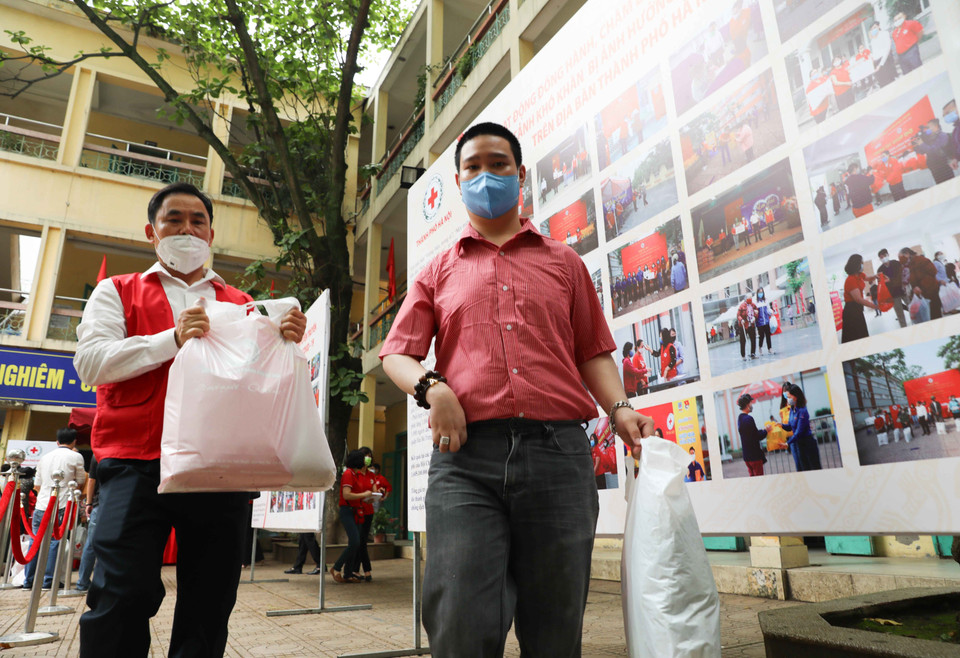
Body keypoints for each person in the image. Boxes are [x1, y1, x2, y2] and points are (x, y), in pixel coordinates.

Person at [379, 122, 653, 657]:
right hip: (465, 462)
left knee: (555, 625)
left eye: (498, 164)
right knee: (459, 622)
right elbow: (397, 354)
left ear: (521, 174)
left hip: (558, 458)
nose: (486, 175)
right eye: (473, 167)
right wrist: (433, 388)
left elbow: (591, 351)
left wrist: (619, 409)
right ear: (458, 182)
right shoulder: (437, 271)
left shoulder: (565, 263)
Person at [73, 182, 307, 656]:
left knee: (209, 604)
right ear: (151, 232)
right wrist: (169, 340)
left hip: (220, 470)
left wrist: (283, 340)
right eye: (173, 219)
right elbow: (91, 363)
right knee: (122, 592)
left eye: (197, 220)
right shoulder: (116, 291)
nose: (186, 229)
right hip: (135, 462)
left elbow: (257, 383)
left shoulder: (241, 302)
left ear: (211, 233)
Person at [23, 428, 86, 590]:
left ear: (57, 442)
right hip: (62, 504)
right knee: (55, 542)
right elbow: (80, 480)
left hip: (41, 504)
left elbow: (37, 485)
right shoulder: (76, 456)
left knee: (35, 542)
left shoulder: (44, 457)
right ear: (74, 442)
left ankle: (28, 581)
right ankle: (49, 580)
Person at [330, 450, 371, 584]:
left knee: (355, 542)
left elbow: (355, 495)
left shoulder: (355, 474)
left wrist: (367, 498)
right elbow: (347, 494)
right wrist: (364, 494)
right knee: (355, 541)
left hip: (355, 510)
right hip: (348, 511)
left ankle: (348, 574)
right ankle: (336, 567)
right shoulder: (348, 474)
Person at [349, 446, 378, 582]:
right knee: (359, 541)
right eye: (366, 455)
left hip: (368, 511)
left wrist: (375, 496)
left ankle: (356, 570)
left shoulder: (371, 475)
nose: (368, 458)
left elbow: (375, 491)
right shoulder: (354, 474)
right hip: (356, 511)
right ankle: (365, 570)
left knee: (362, 541)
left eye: (370, 455)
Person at [781, 385, 821, 472]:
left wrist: (788, 443)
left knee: (813, 469)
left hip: (808, 444)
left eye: (789, 397)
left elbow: (799, 431)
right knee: (804, 469)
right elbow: (790, 426)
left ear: (796, 397)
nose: (787, 399)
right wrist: (780, 425)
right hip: (799, 445)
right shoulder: (792, 409)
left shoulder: (802, 411)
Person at [841, 254, 878, 343]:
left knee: (862, 334)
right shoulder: (850, 280)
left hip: (857, 309)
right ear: (856, 264)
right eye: (861, 263)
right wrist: (874, 306)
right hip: (851, 311)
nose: (862, 265)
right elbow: (858, 299)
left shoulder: (859, 275)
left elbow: (868, 278)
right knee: (855, 336)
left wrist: (876, 276)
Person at [76, 456, 100, 592]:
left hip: (99, 503)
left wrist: (89, 503)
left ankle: (83, 582)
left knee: (91, 544)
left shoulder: (98, 454)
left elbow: (92, 480)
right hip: (120, 505)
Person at [900, 247, 943, 320]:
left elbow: (933, 272)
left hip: (931, 292)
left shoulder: (921, 260)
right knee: (926, 317)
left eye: (901, 257)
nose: (901, 260)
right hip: (921, 295)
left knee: (935, 316)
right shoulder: (908, 265)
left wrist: (921, 287)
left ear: (907, 254)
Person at [915, 119, 955, 184]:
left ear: (936, 127)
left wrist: (922, 144)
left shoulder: (942, 136)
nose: (926, 129)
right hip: (935, 169)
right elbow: (922, 151)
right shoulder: (929, 138)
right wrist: (918, 144)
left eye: (928, 127)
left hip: (944, 169)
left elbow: (933, 150)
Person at [737, 394, 766, 477]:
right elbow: (757, 436)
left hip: (747, 457)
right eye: (751, 403)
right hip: (755, 457)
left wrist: (763, 430)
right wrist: (766, 431)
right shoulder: (749, 419)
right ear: (747, 404)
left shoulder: (740, 418)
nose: (751, 405)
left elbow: (751, 433)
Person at [877, 248, 907, 328]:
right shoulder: (880, 270)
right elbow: (881, 285)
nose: (883, 258)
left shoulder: (896, 263)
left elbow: (902, 276)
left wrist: (891, 281)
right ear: (880, 259)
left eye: (884, 256)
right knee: (900, 314)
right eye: (881, 257)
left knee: (912, 308)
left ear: (888, 255)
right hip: (893, 295)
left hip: (903, 290)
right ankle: (904, 328)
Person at [869, 21, 896, 87]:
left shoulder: (884, 34)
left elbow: (887, 50)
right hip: (877, 64)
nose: (873, 30)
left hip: (885, 61)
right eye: (872, 29)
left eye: (875, 27)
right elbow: (875, 53)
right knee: (882, 84)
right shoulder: (872, 40)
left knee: (890, 82)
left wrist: (881, 64)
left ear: (878, 26)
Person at [737, 295, 758, 360]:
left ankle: (753, 354)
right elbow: (738, 315)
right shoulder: (742, 306)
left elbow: (756, 311)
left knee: (753, 339)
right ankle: (743, 355)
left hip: (751, 324)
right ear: (746, 299)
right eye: (749, 298)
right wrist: (741, 320)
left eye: (751, 298)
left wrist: (755, 316)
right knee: (743, 341)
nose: (750, 299)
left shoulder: (753, 305)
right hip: (744, 325)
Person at [755, 287, 774, 356]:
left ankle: (770, 348)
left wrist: (771, 312)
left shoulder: (766, 300)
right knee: (762, 336)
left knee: (768, 335)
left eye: (762, 292)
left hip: (766, 320)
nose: (761, 293)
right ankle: (760, 347)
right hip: (759, 322)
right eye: (759, 292)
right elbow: (755, 312)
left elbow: (768, 309)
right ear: (757, 293)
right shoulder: (756, 302)